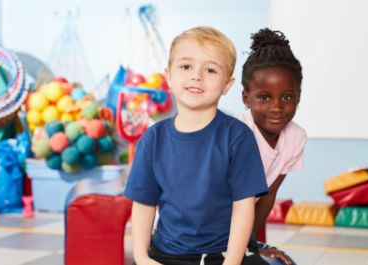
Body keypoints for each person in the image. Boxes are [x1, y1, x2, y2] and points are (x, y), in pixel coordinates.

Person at [124, 26, 269, 265]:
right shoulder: (153, 139)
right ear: (169, 75)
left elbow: (243, 207)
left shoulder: (238, 137)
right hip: (168, 254)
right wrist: (141, 257)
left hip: (225, 253)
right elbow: (143, 203)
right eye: (186, 66)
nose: (196, 76)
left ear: (227, 85)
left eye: (210, 70)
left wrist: (231, 262)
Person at [238, 28, 307, 265]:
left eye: (287, 97)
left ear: (298, 97)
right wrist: (244, 249)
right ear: (247, 99)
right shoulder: (235, 134)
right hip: (202, 229)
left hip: (238, 233)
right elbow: (213, 200)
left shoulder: (296, 137)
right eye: (265, 97)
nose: (277, 107)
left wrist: (252, 245)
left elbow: (267, 195)